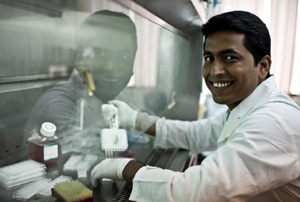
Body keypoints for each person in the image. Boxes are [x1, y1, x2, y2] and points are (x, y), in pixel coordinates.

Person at [90, 11, 300, 201]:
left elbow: (201, 190)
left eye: (230, 58)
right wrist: (137, 119)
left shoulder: (272, 122)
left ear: (263, 66)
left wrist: (126, 167)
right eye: (209, 58)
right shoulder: (247, 106)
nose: (215, 70)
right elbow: (196, 134)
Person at [25, 10, 137, 153]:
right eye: (100, 54)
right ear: (79, 58)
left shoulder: (115, 99)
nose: (111, 67)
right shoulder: (59, 105)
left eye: (124, 56)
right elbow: (84, 164)